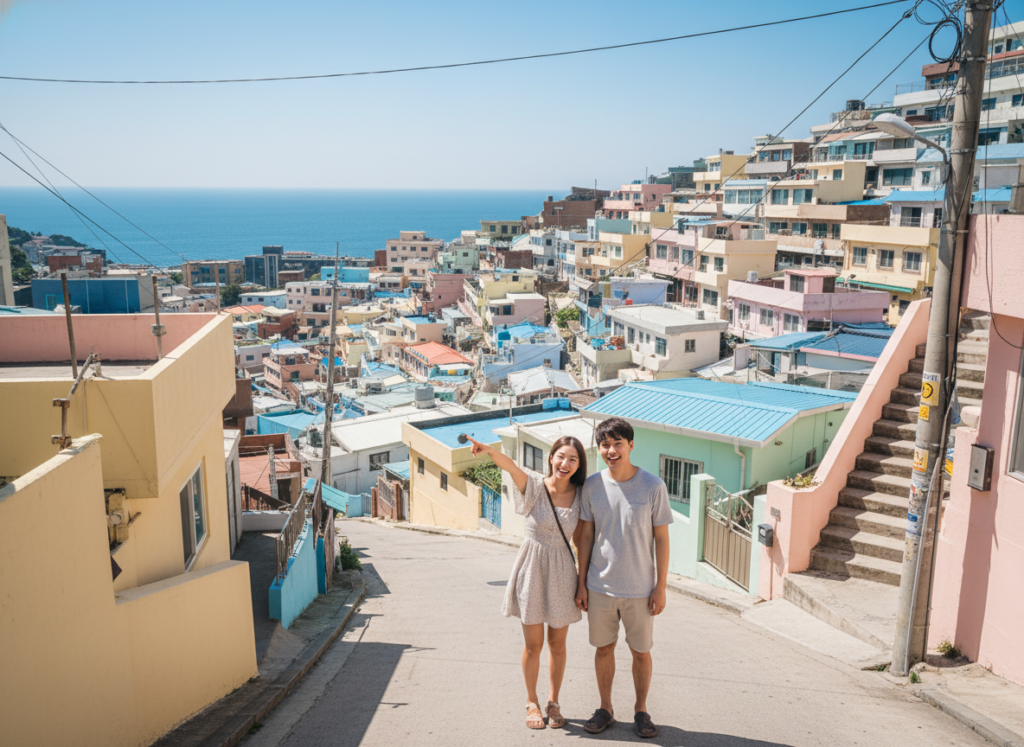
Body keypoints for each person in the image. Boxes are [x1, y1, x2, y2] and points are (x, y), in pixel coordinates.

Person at [465, 434, 587, 731]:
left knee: (557, 644)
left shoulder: (582, 495)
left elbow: (582, 542)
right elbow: (510, 465)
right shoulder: (534, 485)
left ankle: (553, 702)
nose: (565, 463)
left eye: (573, 459)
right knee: (533, 645)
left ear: (579, 464)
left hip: (562, 572)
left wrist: (582, 584)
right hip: (532, 568)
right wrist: (490, 450)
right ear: (551, 457)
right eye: (561, 456)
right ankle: (531, 701)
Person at [574, 417, 672, 739]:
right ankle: (606, 708)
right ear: (599, 448)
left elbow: (661, 539)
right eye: (605, 444)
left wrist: (660, 586)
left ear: (631, 445)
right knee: (603, 649)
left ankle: (641, 711)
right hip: (599, 586)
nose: (611, 450)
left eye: (618, 444)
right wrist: (581, 583)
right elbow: (586, 536)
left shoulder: (653, 486)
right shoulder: (592, 486)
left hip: (641, 589)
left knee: (640, 652)